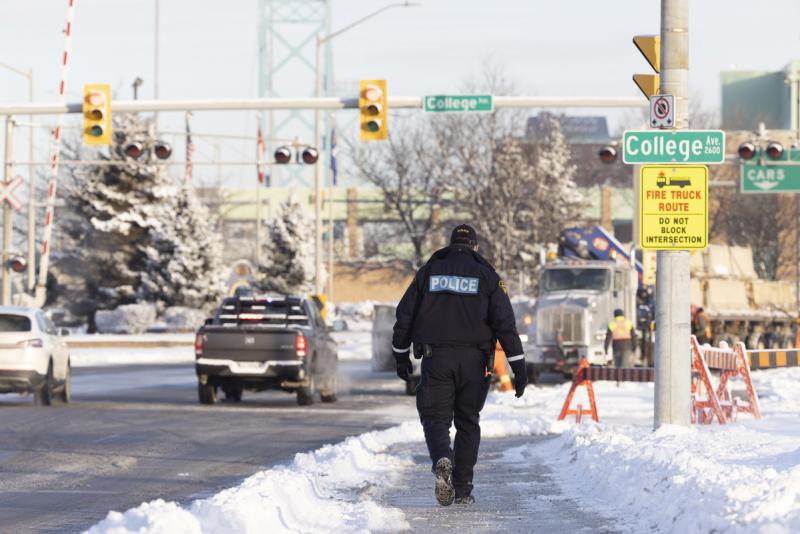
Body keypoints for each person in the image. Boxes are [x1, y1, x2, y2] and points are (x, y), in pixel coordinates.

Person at [392, 224, 526, 507]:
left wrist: (400, 354)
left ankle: (442, 457)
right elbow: (505, 323)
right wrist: (519, 365)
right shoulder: (487, 274)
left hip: (436, 358)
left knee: (435, 418)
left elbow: (405, 315)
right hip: (475, 363)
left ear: (451, 244)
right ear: (475, 246)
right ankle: (463, 488)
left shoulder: (429, 271)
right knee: (468, 421)